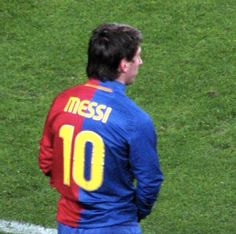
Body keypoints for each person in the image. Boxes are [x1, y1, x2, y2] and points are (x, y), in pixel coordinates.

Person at [39, 23, 163, 234]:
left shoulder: (62, 101)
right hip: (114, 225)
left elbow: (46, 161)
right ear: (123, 65)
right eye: (137, 57)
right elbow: (149, 182)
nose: (140, 62)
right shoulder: (134, 120)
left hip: (68, 225)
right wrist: (131, 215)